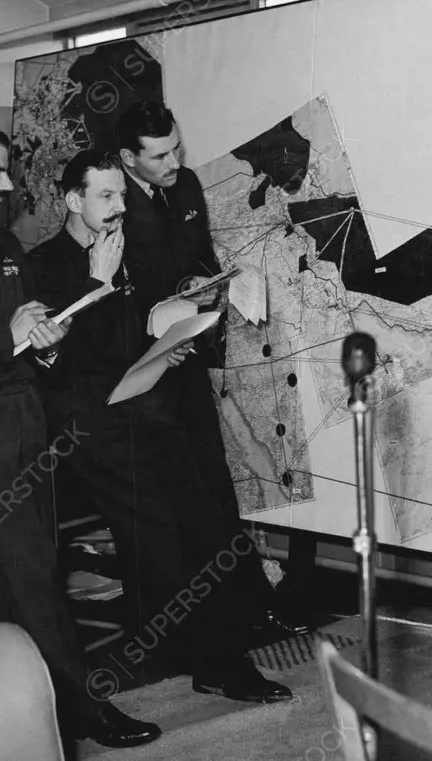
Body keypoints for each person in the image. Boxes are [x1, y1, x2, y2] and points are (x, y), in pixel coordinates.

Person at [0, 117, 161, 748]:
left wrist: (44, 342)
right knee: (27, 580)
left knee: (26, 571)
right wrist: (8, 336)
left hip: (26, 422)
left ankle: (21, 718)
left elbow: (33, 344)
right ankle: (82, 711)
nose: (8, 184)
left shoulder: (7, 246)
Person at [25, 149, 292, 703]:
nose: (120, 206)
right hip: (91, 427)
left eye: (122, 195)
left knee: (200, 522)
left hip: (145, 405)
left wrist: (164, 345)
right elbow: (60, 360)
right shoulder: (45, 265)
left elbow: (138, 331)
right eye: (106, 196)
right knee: (162, 537)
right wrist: (94, 282)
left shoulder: (130, 254)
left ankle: (202, 649)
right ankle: (216, 661)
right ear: (73, 200)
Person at [116, 101, 310, 646]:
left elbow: (199, 255)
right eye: (159, 156)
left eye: (175, 147)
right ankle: (197, 628)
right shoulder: (112, 200)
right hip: (146, 373)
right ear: (128, 158)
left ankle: (250, 606)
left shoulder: (183, 187)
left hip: (191, 357)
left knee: (219, 494)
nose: (174, 161)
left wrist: (214, 283)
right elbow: (113, 296)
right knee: (178, 506)